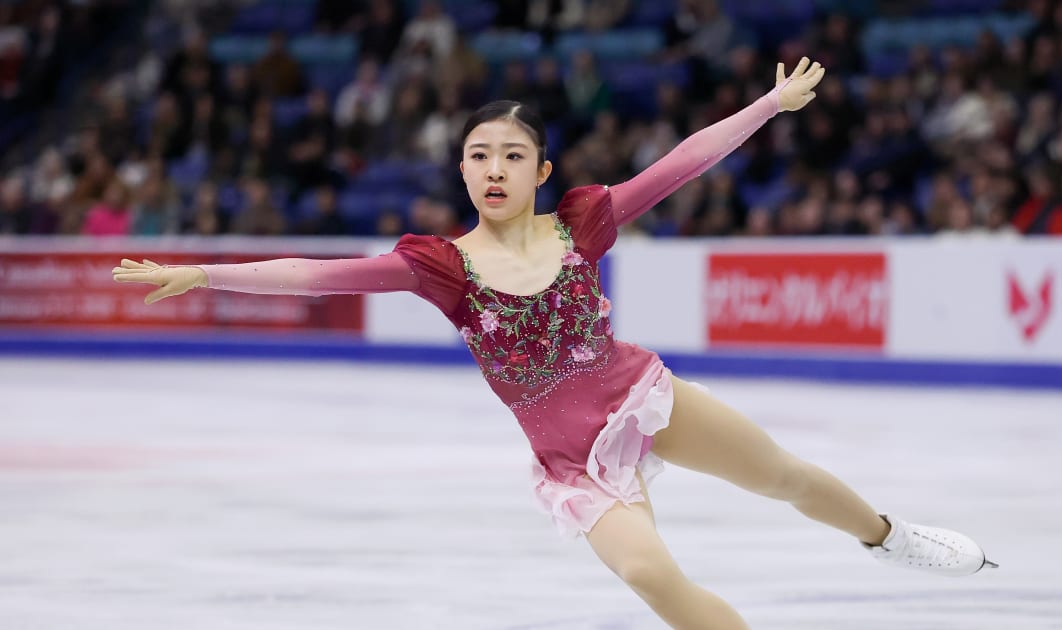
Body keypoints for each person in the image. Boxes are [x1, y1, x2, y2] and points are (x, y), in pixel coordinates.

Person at [113, 59, 996, 629]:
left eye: (510, 155)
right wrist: (203, 274)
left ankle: (890, 535)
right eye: (475, 155)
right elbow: (317, 274)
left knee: (785, 477)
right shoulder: (439, 267)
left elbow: (682, 162)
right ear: (461, 171)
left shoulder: (583, 224)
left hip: (644, 398)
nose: (491, 169)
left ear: (540, 170)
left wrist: (768, 103)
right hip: (572, 458)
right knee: (651, 576)